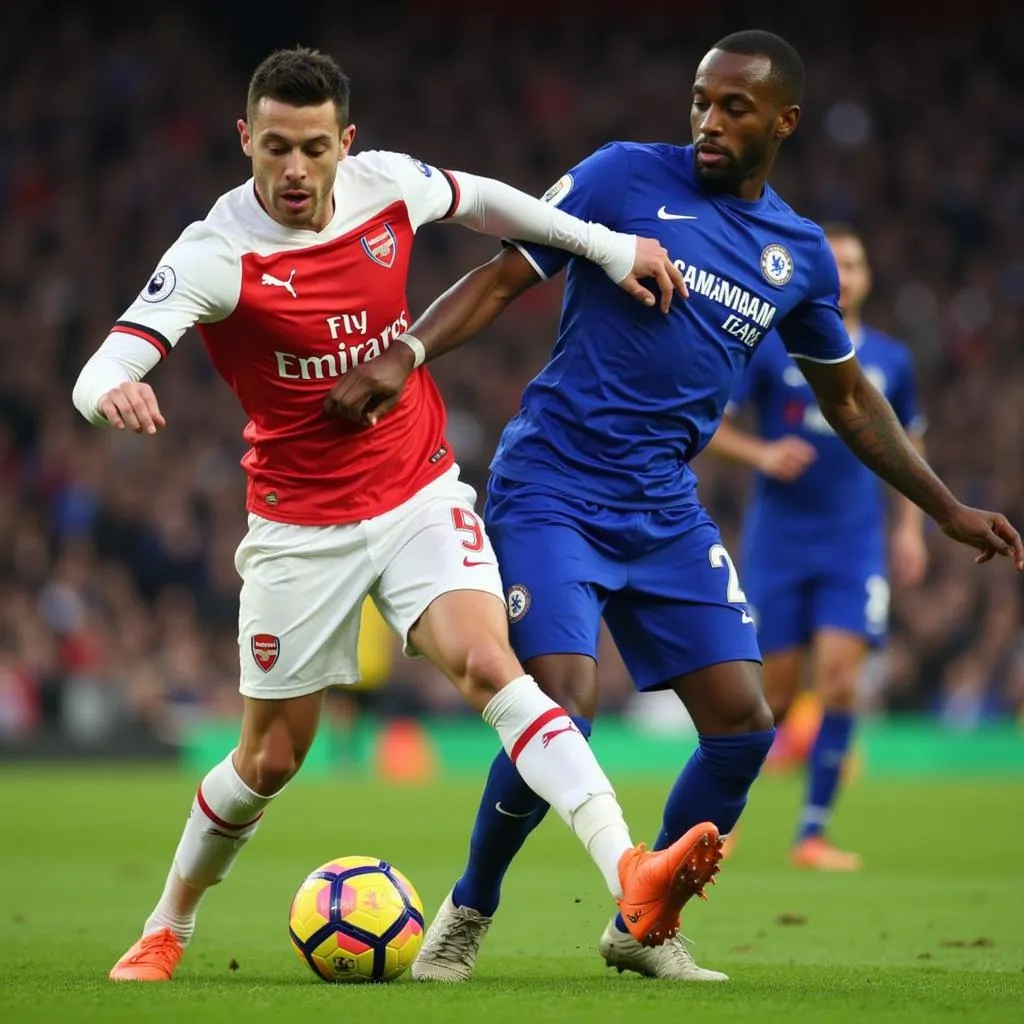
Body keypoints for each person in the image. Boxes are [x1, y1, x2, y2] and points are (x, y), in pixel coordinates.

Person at [324, 29, 1024, 984]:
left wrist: (944, 509)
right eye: (700, 99)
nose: (708, 120)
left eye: (734, 107)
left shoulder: (800, 255)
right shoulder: (619, 178)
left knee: (745, 724)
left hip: (663, 507)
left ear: (784, 123)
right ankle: (468, 910)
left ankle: (640, 925)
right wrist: (402, 355)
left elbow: (852, 401)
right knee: (562, 702)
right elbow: (500, 276)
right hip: (553, 489)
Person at [73, 46, 718, 984]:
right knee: (268, 759)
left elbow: (497, 203)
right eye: (277, 149)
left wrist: (609, 248)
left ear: (348, 143)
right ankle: (168, 923)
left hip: (417, 489)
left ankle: (631, 870)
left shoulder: (386, 186)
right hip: (300, 529)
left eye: (316, 148)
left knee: (495, 667)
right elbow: (102, 367)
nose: (296, 171)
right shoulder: (217, 252)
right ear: (245, 139)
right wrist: (114, 395)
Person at [705, 223, 927, 871]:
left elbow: (909, 447)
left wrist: (910, 528)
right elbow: (713, 426)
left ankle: (812, 834)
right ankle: (723, 822)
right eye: (836, 264)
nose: (847, 274)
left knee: (838, 683)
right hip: (780, 541)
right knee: (770, 697)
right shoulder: (774, 350)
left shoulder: (892, 360)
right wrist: (762, 452)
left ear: (867, 277)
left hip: (854, 543)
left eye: (855, 263)